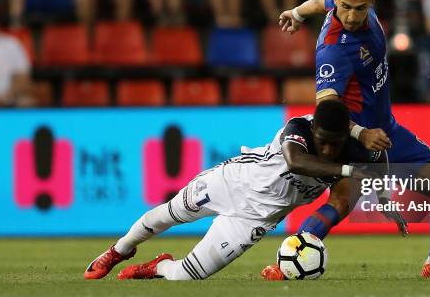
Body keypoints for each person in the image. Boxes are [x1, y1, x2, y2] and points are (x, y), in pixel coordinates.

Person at [264, 0, 430, 279]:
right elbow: (327, 108)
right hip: (356, 137)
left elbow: (318, 2)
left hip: (387, 131)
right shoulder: (333, 51)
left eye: (360, 8)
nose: (352, 16)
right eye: (345, 7)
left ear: (372, 1)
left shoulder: (344, 2)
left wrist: (297, 13)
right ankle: (286, 266)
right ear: (339, 1)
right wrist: (360, 133)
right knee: (341, 203)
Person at [84, 101, 394, 281]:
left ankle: (157, 266)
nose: (327, 149)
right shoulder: (299, 126)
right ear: (315, 130)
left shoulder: (355, 149)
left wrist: (383, 195)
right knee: (167, 214)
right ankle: (118, 251)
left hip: (255, 219)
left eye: (334, 143)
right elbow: (296, 162)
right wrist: (350, 170)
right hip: (231, 182)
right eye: (322, 140)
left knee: (188, 276)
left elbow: (368, 171)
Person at [0, 12, 33, 106]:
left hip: (6, 102)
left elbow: (22, 78)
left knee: (27, 102)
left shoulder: (12, 45)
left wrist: (8, 95)